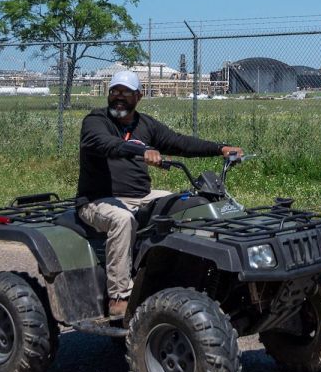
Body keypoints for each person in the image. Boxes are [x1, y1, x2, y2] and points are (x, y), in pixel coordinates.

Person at [77, 70, 242, 318]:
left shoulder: (146, 124)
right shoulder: (96, 121)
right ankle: (119, 297)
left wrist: (221, 148)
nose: (119, 98)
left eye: (125, 93)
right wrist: (138, 150)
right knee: (123, 220)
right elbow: (103, 143)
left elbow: (180, 142)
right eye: (114, 92)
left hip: (142, 195)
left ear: (138, 96)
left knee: (189, 205)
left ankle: (187, 275)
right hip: (97, 200)